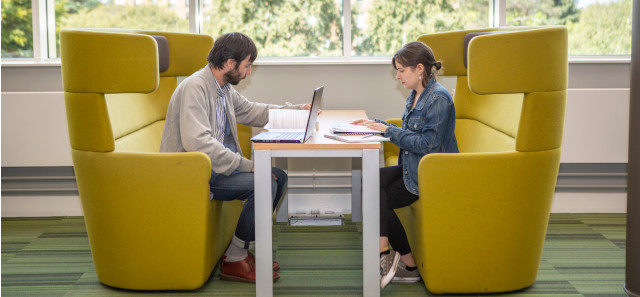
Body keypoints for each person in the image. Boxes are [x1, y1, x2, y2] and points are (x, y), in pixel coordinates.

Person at [159, 32, 311, 283]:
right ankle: (234, 259)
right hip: (193, 174)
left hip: (214, 169)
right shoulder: (196, 87)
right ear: (230, 63)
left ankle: (238, 251)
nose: (248, 72)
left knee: (278, 177)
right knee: (264, 181)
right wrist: (248, 166)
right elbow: (198, 143)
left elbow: (253, 112)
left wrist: (297, 111)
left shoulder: (223, 88)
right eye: (247, 65)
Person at [351, 41, 459, 288]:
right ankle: (402, 262)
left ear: (419, 68)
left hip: (432, 173)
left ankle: (386, 255)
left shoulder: (438, 99)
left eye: (401, 70)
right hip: (414, 166)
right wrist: (375, 125)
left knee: (378, 198)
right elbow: (411, 133)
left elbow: (428, 144)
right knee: (371, 182)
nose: (398, 76)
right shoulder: (416, 94)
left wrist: (389, 131)